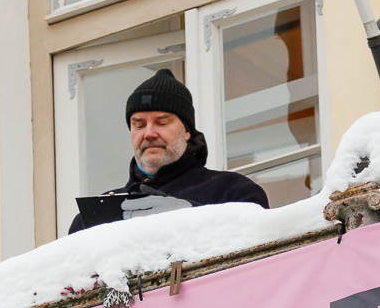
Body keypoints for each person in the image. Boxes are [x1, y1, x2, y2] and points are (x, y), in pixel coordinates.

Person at [73, 71, 269, 229]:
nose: (149, 134)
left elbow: (258, 248)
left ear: (187, 131)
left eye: (162, 122)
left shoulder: (233, 192)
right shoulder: (93, 216)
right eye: (139, 125)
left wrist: (193, 216)